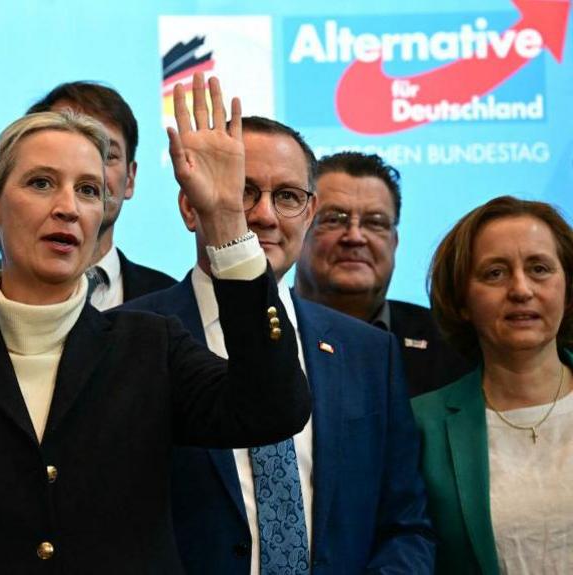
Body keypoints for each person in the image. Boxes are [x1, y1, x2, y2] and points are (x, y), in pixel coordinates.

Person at [0, 74, 310, 573]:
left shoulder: (150, 346)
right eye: (41, 183)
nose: (68, 208)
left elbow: (272, 411)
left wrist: (226, 218)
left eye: (89, 190)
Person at [128, 118, 433, 573]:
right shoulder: (130, 339)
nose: (265, 215)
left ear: (309, 216)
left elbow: (405, 526)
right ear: (190, 207)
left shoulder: (369, 352)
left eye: (287, 197)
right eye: (242, 191)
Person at [0, 81, 175, 322]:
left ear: (130, 179)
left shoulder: (172, 308)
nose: (69, 205)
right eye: (42, 182)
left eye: (107, 155)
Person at [413, 196, 573, 574]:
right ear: (462, 300)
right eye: (495, 273)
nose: (521, 289)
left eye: (539, 268)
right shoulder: (422, 425)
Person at [296, 151, 472, 395]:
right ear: (299, 231)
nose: (355, 237)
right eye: (334, 219)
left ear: (394, 242)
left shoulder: (450, 344)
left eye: (375, 222)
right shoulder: (260, 328)